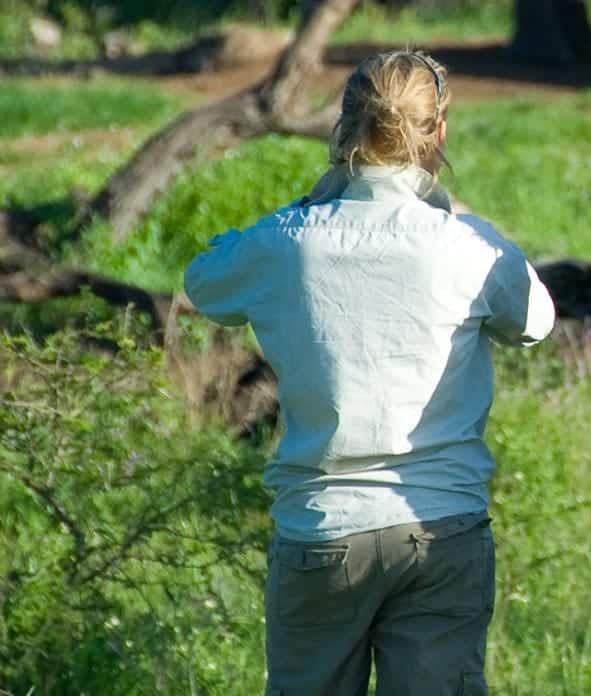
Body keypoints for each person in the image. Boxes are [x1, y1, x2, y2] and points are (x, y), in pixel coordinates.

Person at [185, 49, 555, 696]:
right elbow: (537, 318)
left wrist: (308, 202)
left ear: (344, 124)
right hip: (441, 526)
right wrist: (458, 210)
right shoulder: (462, 247)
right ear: (439, 131)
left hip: (321, 525)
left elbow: (204, 283)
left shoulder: (288, 240)